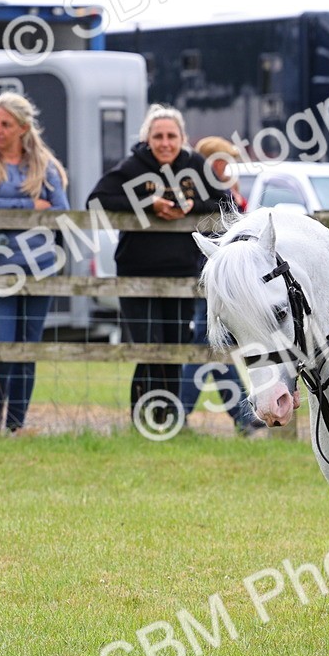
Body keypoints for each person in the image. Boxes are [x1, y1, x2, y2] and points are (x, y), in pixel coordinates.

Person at [87, 104, 223, 428]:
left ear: (182, 138)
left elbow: (224, 200)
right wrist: (147, 204)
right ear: (147, 139)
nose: (165, 143)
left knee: (175, 347)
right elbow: (96, 201)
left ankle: (169, 420)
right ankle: (144, 418)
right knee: (150, 347)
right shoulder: (134, 167)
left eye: (171, 136)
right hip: (137, 272)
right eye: (158, 136)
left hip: (181, 272)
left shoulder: (194, 165)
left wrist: (192, 206)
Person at [0, 92, 69, 434]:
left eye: (5, 124)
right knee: (0, 347)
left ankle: (15, 423)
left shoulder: (45, 165)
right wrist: (28, 207)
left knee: (27, 348)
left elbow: (61, 210)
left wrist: (7, 208)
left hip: (40, 266)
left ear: (23, 128)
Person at [180, 136, 264, 436]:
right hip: (208, 275)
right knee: (211, 344)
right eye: (222, 161)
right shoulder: (208, 194)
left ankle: (185, 413)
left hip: (225, 274)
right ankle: (239, 415)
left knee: (214, 345)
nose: (229, 167)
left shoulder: (227, 192)